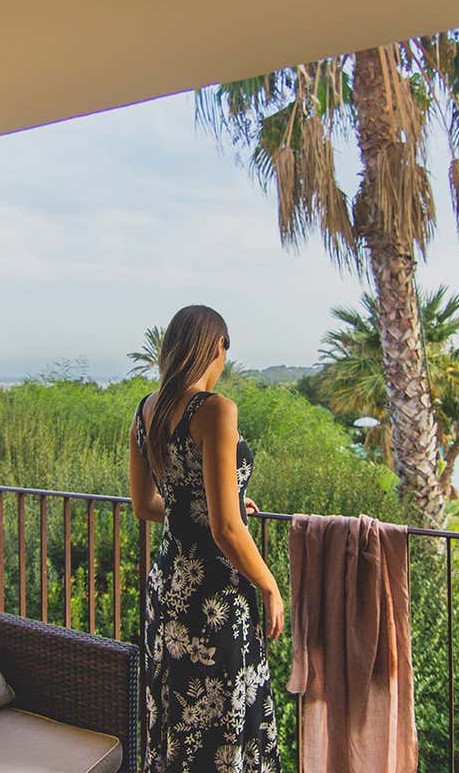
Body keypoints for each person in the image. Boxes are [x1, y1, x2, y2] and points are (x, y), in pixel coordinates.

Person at [129, 304, 283, 773]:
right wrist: (269, 585)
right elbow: (225, 530)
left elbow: (147, 505)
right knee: (223, 720)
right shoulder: (215, 410)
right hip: (213, 591)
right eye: (224, 351)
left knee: (179, 714)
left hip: (168, 587)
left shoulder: (146, 410)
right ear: (216, 347)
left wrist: (222, 504)